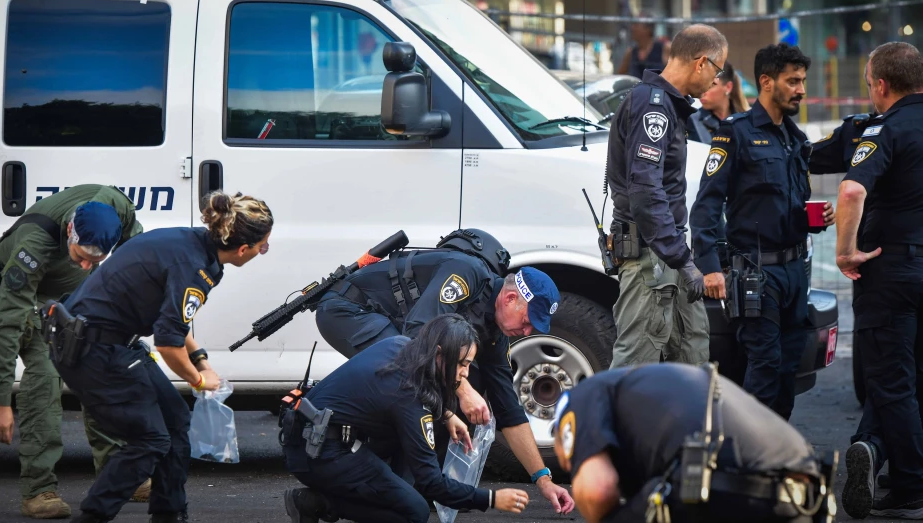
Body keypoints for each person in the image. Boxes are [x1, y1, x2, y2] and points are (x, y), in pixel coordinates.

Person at [49, 191, 272, 523]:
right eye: (262, 246)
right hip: (93, 351)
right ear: (243, 249)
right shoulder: (195, 267)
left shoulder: (191, 244)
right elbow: (167, 345)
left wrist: (201, 360)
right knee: (150, 438)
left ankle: (169, 513)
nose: (262, 251)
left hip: (109, 343)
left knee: (176, 420)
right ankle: (93, 516)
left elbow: (173, 321)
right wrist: (198, 380)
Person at [314, 231, 574, 513]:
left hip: (393, 330)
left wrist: (543, 479)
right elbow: (417, 336)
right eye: (527, 322)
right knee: (421, 375)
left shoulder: (496, 334)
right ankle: (352, 476)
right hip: (348, 309)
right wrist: (463, 390)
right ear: (510, 298)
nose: (526, 332)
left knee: (449, 382)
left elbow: (509, 410)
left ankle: (405, 491)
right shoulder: (467, 274)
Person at [0, 184, 148, 518]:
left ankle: (119, 477)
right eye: (81, 257)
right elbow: (5, 325)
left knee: (104, 371)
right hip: (33, 298)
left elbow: (137, 252)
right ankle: (39, 490)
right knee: (45, 377)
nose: (87, 265)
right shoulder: (34, 244)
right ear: (70, 232)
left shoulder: (116, 209)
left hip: (75, 297)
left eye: (95, 260)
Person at [690, 43, 835, 421]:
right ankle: (746, 458)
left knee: (788, 369)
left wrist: (815, 219)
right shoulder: (734, 133)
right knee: (765, 366)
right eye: (793, 81)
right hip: (756, 273)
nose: (801, 89)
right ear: (767, 82)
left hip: (794, 271)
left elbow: (786, 204)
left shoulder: (794, 137)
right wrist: (709, 267)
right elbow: (705, 206)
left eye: (803, 80)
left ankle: (774, 455)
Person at [282, 314, 533, 523]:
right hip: (319, 455)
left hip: (308, 437)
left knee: (397, 467)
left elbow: (404, 391)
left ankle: (351, 490)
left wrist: (446, 415)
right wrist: (491, 498)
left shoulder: (399, 344)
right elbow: (433, 484)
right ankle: (317, 503)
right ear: (438, 353)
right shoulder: (408, 396)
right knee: (414, 511)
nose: (465, 373)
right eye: (462, 364)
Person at [551, 362, 834, 522]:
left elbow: (596, 490)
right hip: (808, 493)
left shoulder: (582, 397)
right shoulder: (647, 390)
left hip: (724, 484)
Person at [834, 41, 923, 519]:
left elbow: (850, 189)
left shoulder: (886, 128)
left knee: (891, 381)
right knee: (916, 378)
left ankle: (909, 482)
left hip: (891, 270)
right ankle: (879, 452)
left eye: (870, 85)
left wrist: (846, 250)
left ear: (882, 85)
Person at [606, 24, 727, 368]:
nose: (716, 81)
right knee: (635, 366)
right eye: (717, 71)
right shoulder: (653, 106)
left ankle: (689, 423)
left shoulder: (667, 104)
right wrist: (682, 259)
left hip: (666, 253)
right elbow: (645, 190)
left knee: (693, 356)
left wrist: (680, 257)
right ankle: (608, 423)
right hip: (652, 257)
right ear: (701, 62)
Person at [686, 61, 751, 144]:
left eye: (711, 85)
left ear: (728, 87)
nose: (703, 91)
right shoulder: (692, 121)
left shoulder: (746, 121)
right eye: (701, 85)